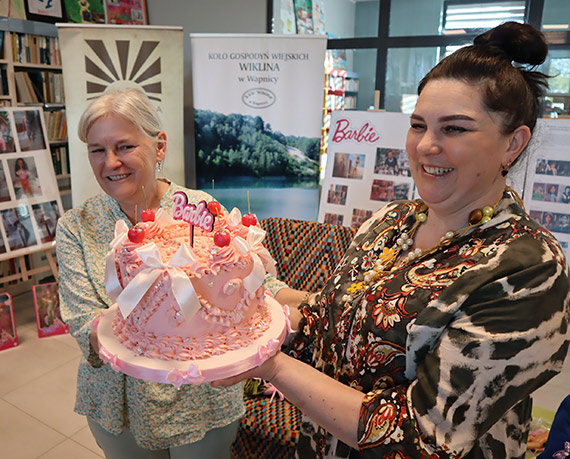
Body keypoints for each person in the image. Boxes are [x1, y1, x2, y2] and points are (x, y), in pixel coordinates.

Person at [216, 22, 570, 457]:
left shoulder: (529, 268)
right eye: (418, 125)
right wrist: (243, 308)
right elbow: (336, 327)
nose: (425, 146)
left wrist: (269, 365)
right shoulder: (392, 220)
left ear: (513, 143)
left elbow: (424, 437)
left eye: (454, 129)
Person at [56, 88, 283, 458]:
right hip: (117, 405)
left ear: (159, 146)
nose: (111, 162)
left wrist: (306, 302)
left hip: (203, 401)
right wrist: (142, 341)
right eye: (97, 150)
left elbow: (248, 282)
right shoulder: (76, 226)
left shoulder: (202, 210)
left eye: (125, 147)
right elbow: (83, 318)